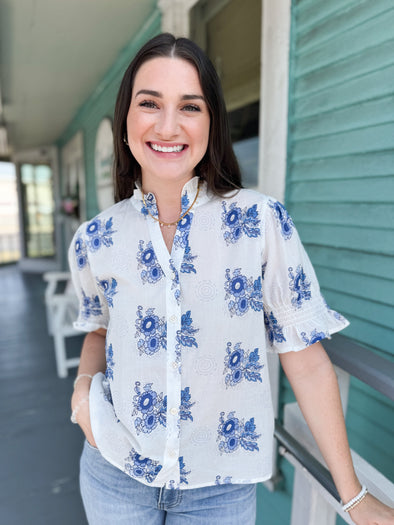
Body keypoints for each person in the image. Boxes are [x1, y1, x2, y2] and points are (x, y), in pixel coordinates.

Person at [69, 33, 394, 525]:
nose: (168, 125)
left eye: (190, 107)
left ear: (212, 122)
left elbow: (303, 360)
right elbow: (99, 329)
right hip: (114, 469)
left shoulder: (261, 224)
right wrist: (82, 390)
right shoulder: (96, 239)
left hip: (219, 490)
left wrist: (352, 498)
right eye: (149, 103)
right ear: (126, 120)